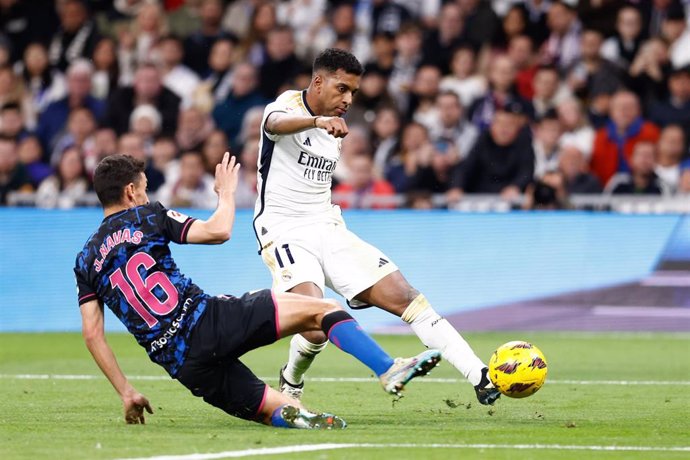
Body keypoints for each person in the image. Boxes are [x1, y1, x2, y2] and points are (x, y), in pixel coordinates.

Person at [75, 152, 441, 429]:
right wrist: (227, 193)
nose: (145, 195)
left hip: (181, 364)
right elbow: (218, 231)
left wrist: (126, 391)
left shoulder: (85, 259)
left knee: (273, 409)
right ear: (130, 191)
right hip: (208, 321)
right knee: (322, 309)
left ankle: (295, 416)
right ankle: (387, 368)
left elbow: (93, 336)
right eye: (143, 189)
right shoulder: (146, 216)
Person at [253, 48, 499, 405]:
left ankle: (481, 376)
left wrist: (326, 124)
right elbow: (274, 125)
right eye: (342, 89)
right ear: (318, 81)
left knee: (407, 297)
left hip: (327, 225)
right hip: (282, 230)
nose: (348, 99)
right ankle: (292, 379)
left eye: (353, 92)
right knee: (314, 319)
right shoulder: (286, 107)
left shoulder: (338, 127)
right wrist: (316, 122)